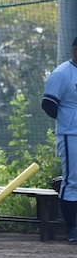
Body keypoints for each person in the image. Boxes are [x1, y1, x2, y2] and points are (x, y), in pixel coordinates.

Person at [41, 35, 77, 244]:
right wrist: (68, 120)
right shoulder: (62, 73)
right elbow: (48, 104)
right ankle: (73, 229)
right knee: (72, 181)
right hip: (71, 135)